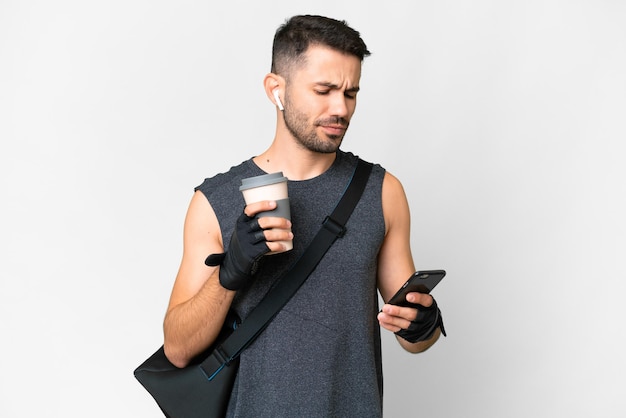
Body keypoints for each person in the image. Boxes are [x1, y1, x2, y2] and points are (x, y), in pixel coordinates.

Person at [162, 14, 445, 417]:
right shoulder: (216, 201)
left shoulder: (382, 193)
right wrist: (231, 273)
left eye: (350, 93)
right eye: (324, 90)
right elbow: (177, 349)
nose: (340, 108)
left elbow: (415, 338)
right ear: (276, 90)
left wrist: (424, 322)